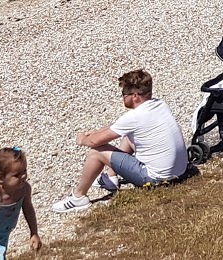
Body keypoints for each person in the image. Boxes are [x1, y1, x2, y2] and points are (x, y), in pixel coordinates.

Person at [52, 70, 188, 213]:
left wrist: (82, 139)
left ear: (135, 96)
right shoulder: (160, 105)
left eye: (124, 94)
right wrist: (96, 132)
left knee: (96, 152)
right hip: (179, 172)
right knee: (128, 135)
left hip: (156, 180)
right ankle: (111, 178)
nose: (123, 98)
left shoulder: (135, 116)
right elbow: (118, 128)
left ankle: (78, 197)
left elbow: (95, 142)